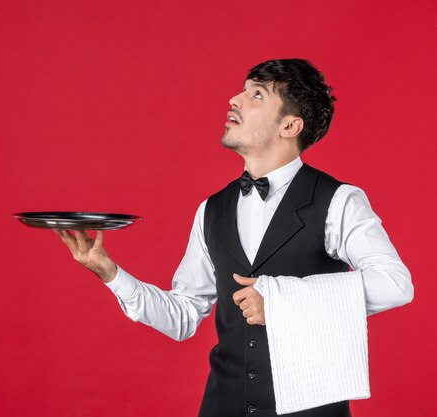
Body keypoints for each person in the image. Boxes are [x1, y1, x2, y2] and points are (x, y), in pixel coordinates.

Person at [53, 59, 413, 417]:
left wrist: (279, 300)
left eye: (256, 95)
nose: (234, 100)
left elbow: (396, 284)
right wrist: (110, 273)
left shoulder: (339, 200)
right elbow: (183, 316)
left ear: (290, 125)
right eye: (243, 90)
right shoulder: (212, 209)